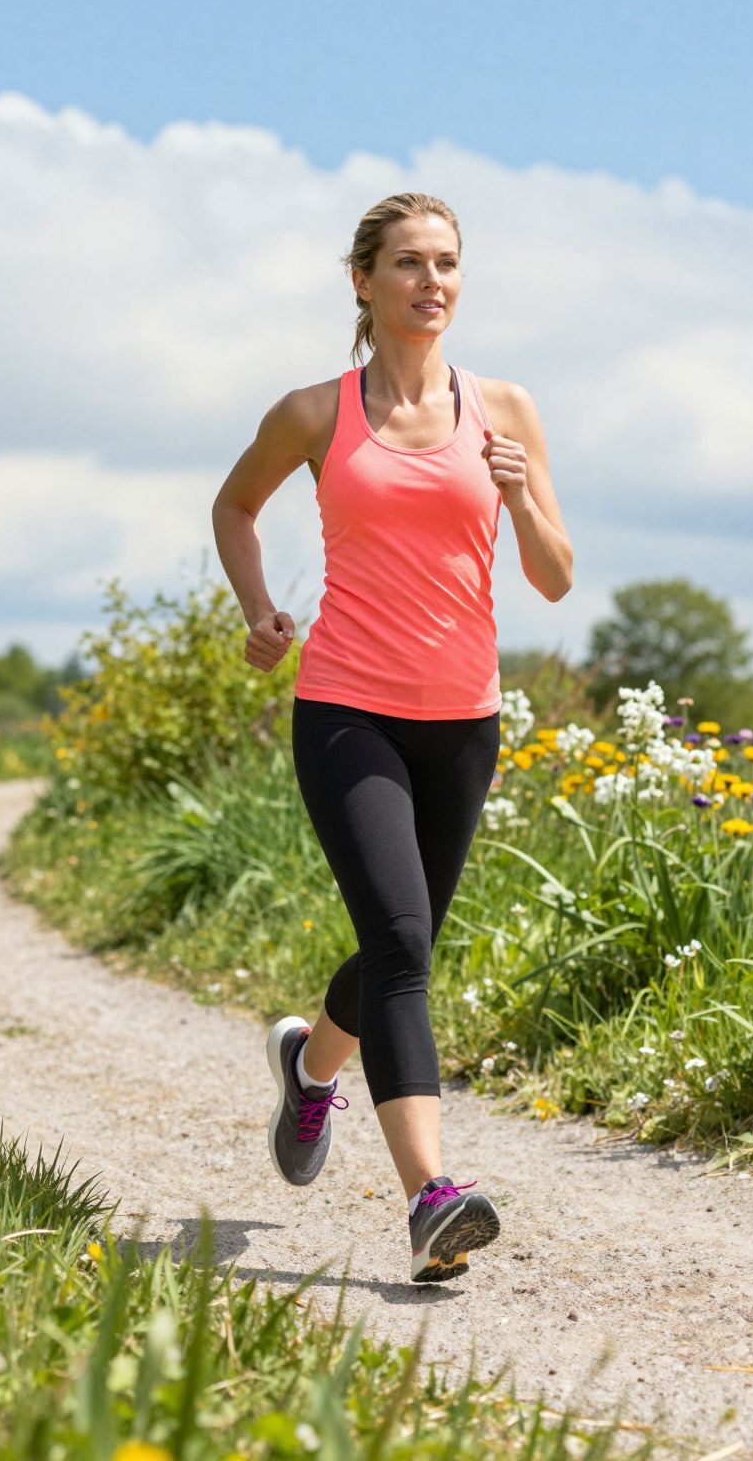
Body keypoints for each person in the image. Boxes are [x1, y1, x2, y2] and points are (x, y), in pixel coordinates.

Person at [210, 192, 574, 1283]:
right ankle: (431, 1200)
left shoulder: (502, 408)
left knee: (393, 948)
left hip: (463, 721)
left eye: (448, 263)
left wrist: (518, 500)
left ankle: (310, 1069)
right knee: (404, 946)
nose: (432, 282)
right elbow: (234, 507)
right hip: (346, 707)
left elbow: (554, 579)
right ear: (363, 282)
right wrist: (258, 613)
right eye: (409, 263)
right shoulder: (315, 414)